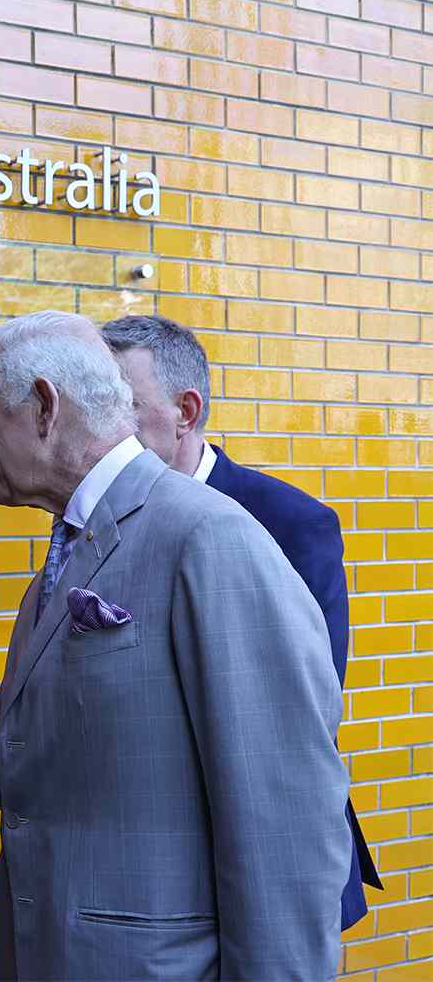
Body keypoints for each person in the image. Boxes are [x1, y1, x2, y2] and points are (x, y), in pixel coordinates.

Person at [0, 311, 349, 980]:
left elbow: (283, 826)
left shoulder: (209, 539)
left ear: (44, 407)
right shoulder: (71, 551)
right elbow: (19, 749)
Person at [101, 313, 381, 930]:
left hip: (265, 861)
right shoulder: (97, 519)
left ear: (186, 410)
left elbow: (305, 704)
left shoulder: (289, 521)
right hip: (142, 874)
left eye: (122, 403)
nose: (105, 425)